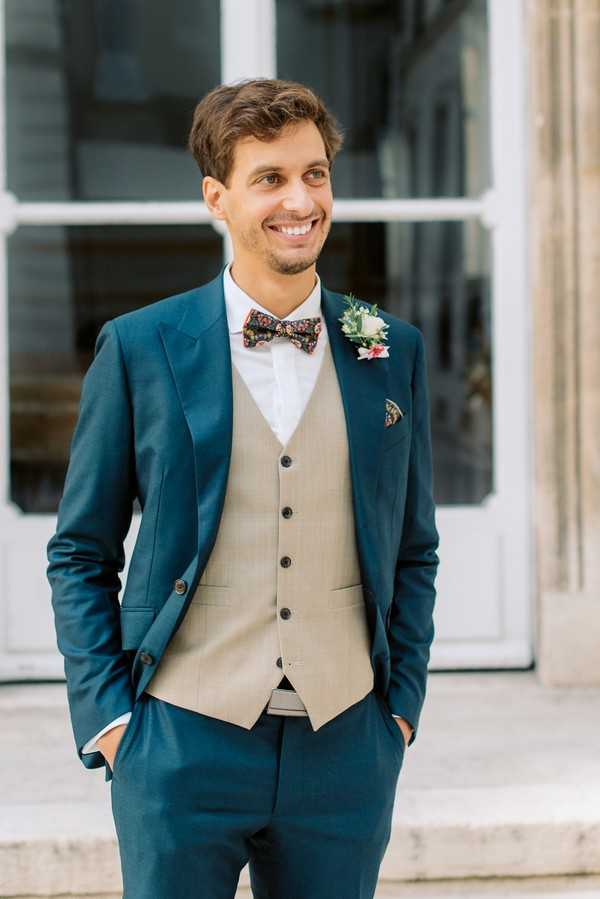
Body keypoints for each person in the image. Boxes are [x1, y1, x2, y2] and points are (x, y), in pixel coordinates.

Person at [46, 77, 439, 899]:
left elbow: (414, 546)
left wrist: (398, 708)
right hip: (181, 741)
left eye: (316, 174)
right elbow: (80, 549)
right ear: (216, 197)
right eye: (270, 178)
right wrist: (113, 721)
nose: (301, 200)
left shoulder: (388, 348)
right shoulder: (141, 346)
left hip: (346, 746)